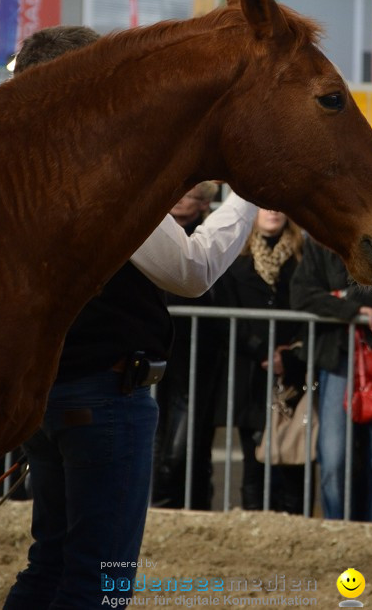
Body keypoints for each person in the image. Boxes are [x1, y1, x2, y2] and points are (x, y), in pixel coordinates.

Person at [4, 26, 257, 610]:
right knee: (100, 577)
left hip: (47, 392)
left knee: (48, 562)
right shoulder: (95, 170)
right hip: (105, 392)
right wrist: (249, 195)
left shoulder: (16, 171)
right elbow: (190, 270)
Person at [289, 238, 372, 522]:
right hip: (338, 355)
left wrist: (342, 297)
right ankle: (337, 532)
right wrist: (355, 311)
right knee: (333, 459)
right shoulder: (320, 240)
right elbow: (301, 295)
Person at [214, 209, 306, 513]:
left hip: (293, 374)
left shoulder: (302, 258)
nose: (273, 211)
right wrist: (262, 351)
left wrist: (289, 356)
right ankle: (254, 523)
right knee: (254, 458)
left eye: (280, 205)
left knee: (293, 458)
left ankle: (294, 525)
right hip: (251, 372)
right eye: (264, 205)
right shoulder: (236, 259)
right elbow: (228, 316)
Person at [153, 181, 224, 510]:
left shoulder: (205, 239)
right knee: (158, 430)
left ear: (204, 205)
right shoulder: (153, 230)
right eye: (178, 194)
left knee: (187, 438)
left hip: (198, 356)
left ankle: (176, 500)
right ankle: (160, 499)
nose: (180, 202)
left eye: (189, 197)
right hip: (160, 352)